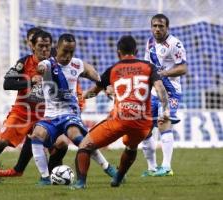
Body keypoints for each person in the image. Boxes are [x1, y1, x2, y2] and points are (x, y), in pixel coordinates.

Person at [72, 35, 170, 189]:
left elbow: (94, 92)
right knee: (131, 147)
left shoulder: (113, 70)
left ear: (118, 53)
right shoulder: (149, 67)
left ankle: (80, 183)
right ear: (136, 51)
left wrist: (79, 98)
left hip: (120, 120)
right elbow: (160, 89)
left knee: (85, 146)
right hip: (143, 124)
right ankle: (117, 178)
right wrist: (166, 111)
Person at [0, 30, 68, 180]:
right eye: (41, 46)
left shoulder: (56, 65)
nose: (44, 49)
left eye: (47, 46)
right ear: (32, 46)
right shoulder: (24, 63)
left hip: (46, 115)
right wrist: (30, 81)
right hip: (22, 112)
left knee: (61, 144)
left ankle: (51, 174)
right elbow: (7, 83)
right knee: (0, 142)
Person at [29, 33, 117, 185]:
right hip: (50, 116)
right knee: (37, 135)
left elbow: (97, 77)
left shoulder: (77, 64)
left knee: (78, 139)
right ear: (57, 49)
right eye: (65, 51)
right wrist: (39, 73)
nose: (68, 56)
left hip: (70, 113)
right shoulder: (49, 64)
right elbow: (41, 67)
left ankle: (107, 167)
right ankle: (44, 178)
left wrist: (106, 86)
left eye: (71, 52)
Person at [141, 13, 187, 177]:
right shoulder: (150, 42)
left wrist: (164, 73)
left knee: (163, 122)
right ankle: (152, 168)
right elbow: (148, 66)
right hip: (154, 91)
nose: (157, 29)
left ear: (167, 27)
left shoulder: (175, 44)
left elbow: (183, 68)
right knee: (144, 129)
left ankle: (166, 166)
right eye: (154, 26)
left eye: (161, 26)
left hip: (171, 91)